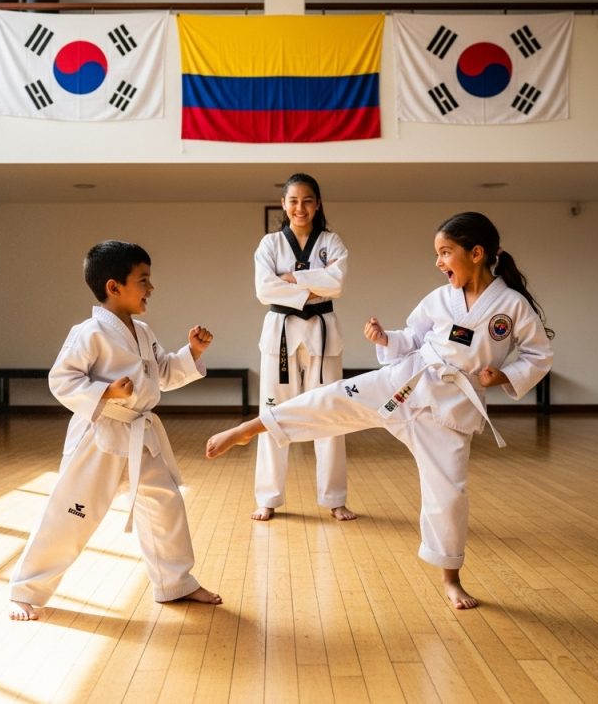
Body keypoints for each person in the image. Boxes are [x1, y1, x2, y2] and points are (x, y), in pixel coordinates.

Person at [207, 212, 553, 609]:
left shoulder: (511, 306)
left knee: (449, 494)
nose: (439, 262)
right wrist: (385, 337)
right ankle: (254, 426)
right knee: (333, 398)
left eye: (445, 253)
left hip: (450, 409)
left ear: (476, 254)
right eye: (437, 254)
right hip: (406, 383)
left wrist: (502, 376)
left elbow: (538, 354)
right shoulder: (440, 298)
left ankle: (450, 578)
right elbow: (412, 337)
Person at [10, 240, 221, 621]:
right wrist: (104, 392)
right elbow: (62, 380)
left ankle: (175, 583)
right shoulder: (89, 332)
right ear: (114, 286)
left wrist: (191, 353)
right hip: (99, 437)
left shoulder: (141, 331)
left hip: (140, 437)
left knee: (165, 504)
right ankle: (27, 590)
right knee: (71, 513)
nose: (150, 288)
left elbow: (163, 374)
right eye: (143, 280)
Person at [251, 173, 355, 522]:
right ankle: (268, 497)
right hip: (280, 334)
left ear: (318, 203)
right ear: (284, 204)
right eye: (293, 201)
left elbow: (337, 284)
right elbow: (265, 291)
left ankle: (335, 498)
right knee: (272, 414)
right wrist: (314, 283)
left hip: (323, 335)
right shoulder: (269, 244)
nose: (300, 207)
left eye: (307, 200)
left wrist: (292, 279)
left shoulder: (332, 241)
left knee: (330, 413)